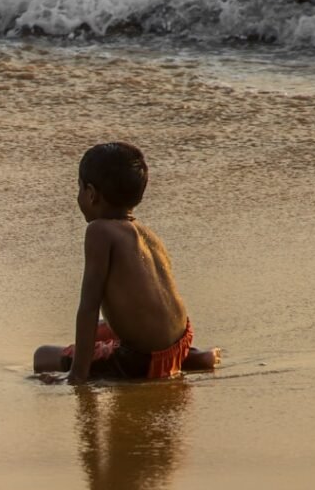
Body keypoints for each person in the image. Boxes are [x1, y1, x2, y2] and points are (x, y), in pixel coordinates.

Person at [34, 142, 219, 384]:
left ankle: (162, 364)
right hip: (180, 341)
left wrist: (77, 375)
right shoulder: (146, 233)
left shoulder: (99, 231)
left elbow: (89, 306)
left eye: (79, 189)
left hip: (140, 360)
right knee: (103, 328)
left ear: (91, 194)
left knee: (42, 356)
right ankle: (192, 358)